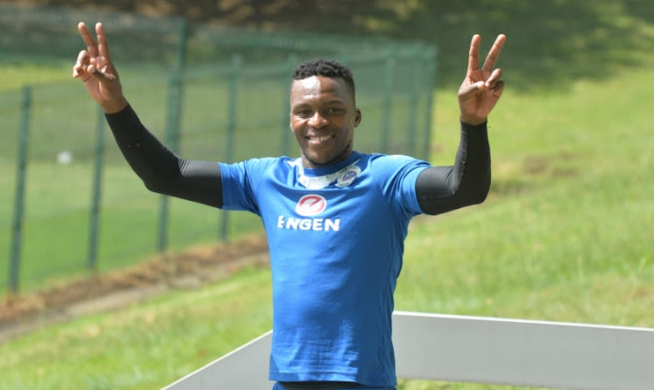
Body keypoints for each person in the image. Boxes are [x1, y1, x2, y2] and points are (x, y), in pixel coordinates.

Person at [73, 22, 506, 390]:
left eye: (333, 110)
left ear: (356, 116)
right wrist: (115, 107)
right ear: (291, 118)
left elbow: (462, 188)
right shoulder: (265, 179)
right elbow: (165, 175)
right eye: (305, 111)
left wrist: (473, 122)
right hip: (287, 378)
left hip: (360, 378)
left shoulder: (386, 177)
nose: (318, 121)